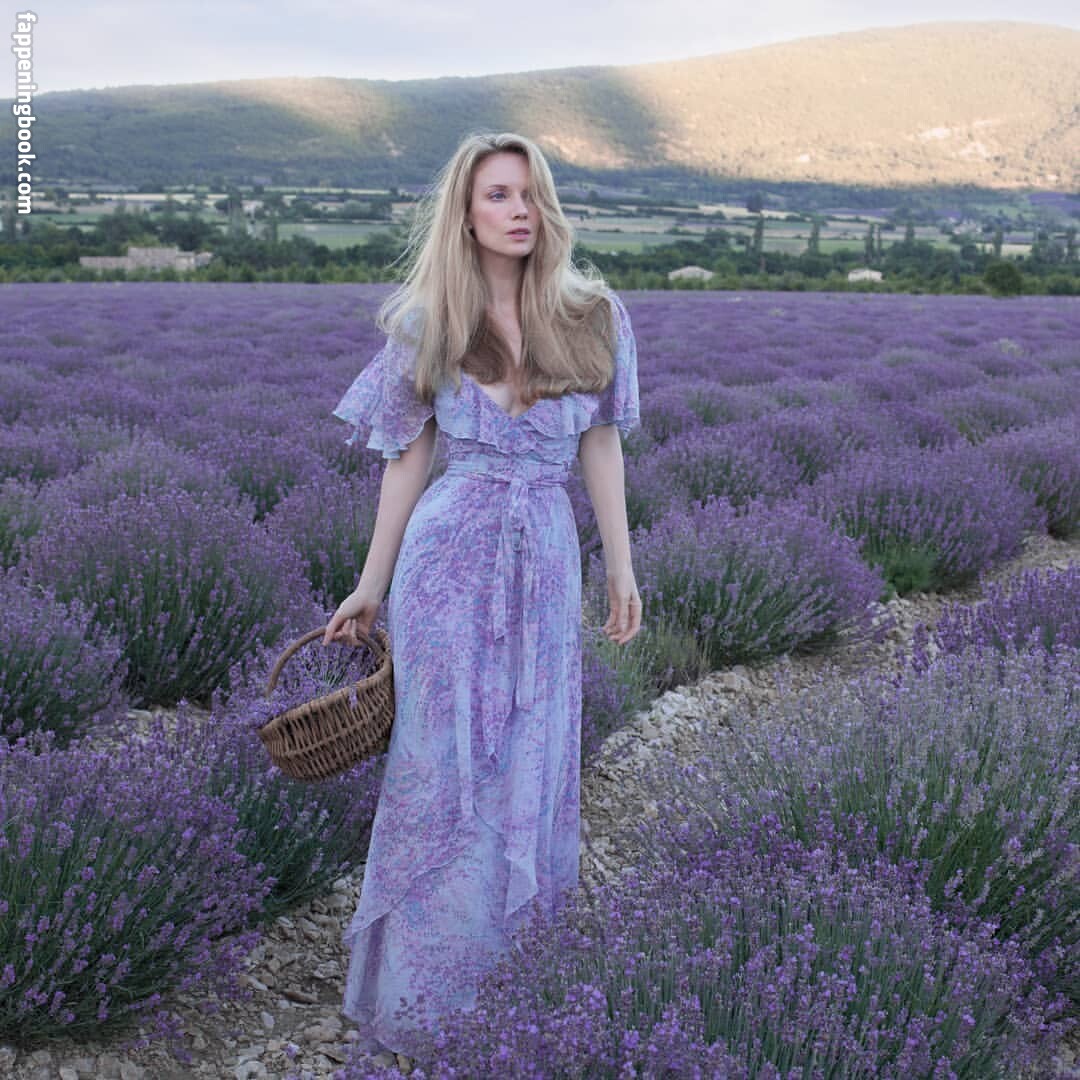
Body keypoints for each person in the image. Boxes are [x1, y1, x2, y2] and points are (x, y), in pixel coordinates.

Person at [321, 131, 642, 1064]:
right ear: (464, 213)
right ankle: (425, 999)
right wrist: (371, 585)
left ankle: (512, 992)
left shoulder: (594, 315)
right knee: (441, 764)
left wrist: (622, 567)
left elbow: (602, 444)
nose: (518, 210)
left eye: (530, 194)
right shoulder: (430, 321)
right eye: (498, 195)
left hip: (546, 556)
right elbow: (406, 459)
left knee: (532, 754)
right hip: (448, 565)